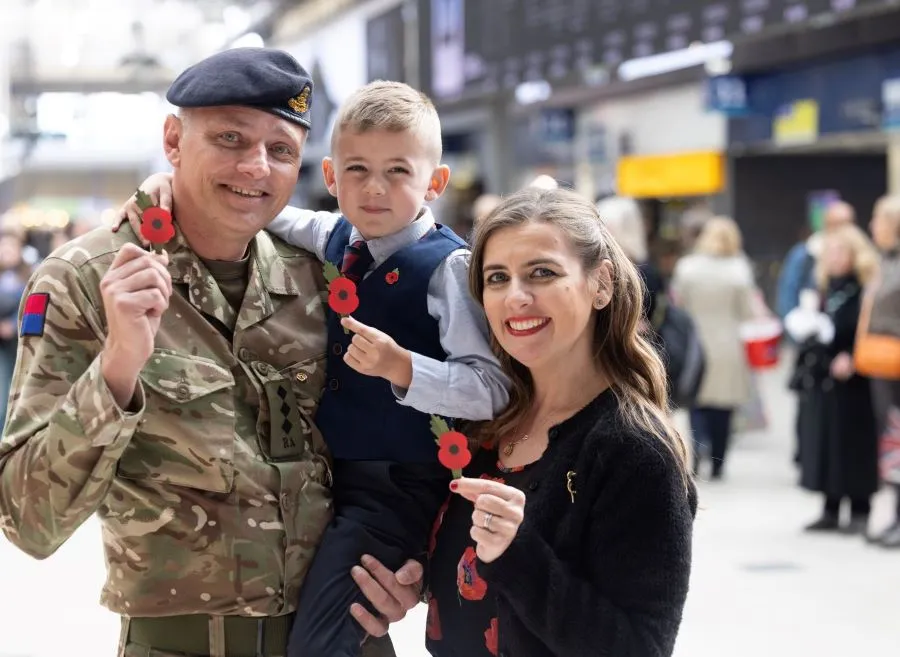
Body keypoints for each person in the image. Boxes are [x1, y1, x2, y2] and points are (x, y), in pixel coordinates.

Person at [0, 47, 412, 657]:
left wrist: (410, 565)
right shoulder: (85, 280)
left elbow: (385, 447)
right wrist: (118, 368)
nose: (256, 168)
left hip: (342, 637)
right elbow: (28, 520)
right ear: (173, 139)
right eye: (229, 138)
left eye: (281, 150)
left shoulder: (320, 277)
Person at [121, 79, 509, 657]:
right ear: (330, 177)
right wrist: (164, 189)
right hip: (334, 480)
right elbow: (267, 214)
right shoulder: (335, 236)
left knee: (320, 641)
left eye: (398, 172)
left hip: (399, 484)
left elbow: (492, 390)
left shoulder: (447, 268)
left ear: (434, 182)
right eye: (356, 170)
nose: (374, 189)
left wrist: (405, 369)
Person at [353, 187, 697, 657]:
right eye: (497, 278)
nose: (516, 297)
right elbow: (477, 582)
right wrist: (418, 579)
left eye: (542, 273)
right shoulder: (485, 426)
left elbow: (640, 646)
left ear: (602, 283)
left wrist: (516, 553)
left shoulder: (633, 449)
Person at [785, 223, 880, 534]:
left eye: (842, 251)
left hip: (857, 378)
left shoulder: (865, 286)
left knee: (855, 442)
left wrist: (854, 355)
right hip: (824, 375)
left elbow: (872, 327)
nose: (835, 257)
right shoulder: (825, 288)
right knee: (826, 440)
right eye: (831, 252)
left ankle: (860, 510)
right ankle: (830, 507)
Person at [671, 217, 757, 479]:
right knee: (724, 407)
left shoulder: (687, 267)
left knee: (696, 402)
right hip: (728, 345)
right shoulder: (740, 270)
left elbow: (678, 304)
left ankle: (696, 457)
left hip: (695, 344)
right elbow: (747, 311)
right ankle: (719, 463)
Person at [865, 194, 900, 548]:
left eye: (879, 220)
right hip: (883, 367)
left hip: (895, 365)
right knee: (893, 442)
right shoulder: (884, 262)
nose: (873, 227)